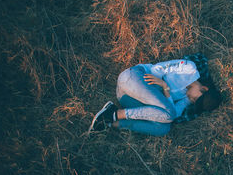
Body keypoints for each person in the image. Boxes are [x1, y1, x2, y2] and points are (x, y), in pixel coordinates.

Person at [89, 53, 222, 136]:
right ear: (204, 89)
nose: (192, 101)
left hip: (125, 96)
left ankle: (111, 124)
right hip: (134, 78)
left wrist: (165, 88)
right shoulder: (189, 68)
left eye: (195, 103)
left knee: (164, 128)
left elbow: (173, 113)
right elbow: (157, 69)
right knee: (169, 114)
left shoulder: (186, 99)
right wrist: (161, 84)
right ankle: (114, 114)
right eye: (196, 99)